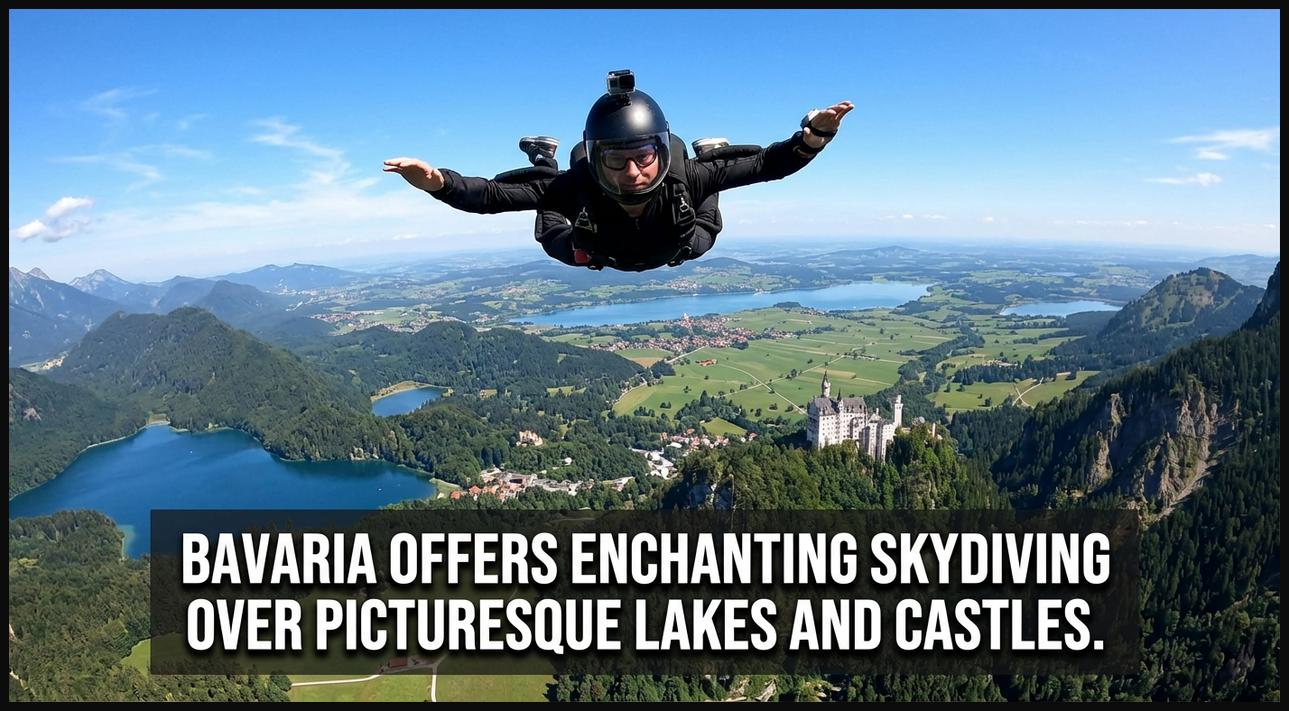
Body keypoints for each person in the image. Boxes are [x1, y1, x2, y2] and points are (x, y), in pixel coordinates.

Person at [385, 70, 852, 272]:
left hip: (676, 245)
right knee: (553, 228)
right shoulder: (578, 185)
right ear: (595, 157)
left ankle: (713, 155)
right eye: (615, 159)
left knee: (706, 212)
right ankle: (543, 157)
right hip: (598, 251)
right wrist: (436, 182)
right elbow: (488, 196)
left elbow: (772, 164)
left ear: (660, 149)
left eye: (643, 156)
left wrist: (813, 136)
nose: (631, 171)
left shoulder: (682, 177)